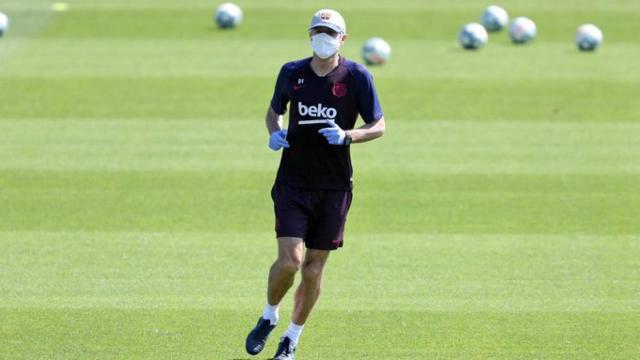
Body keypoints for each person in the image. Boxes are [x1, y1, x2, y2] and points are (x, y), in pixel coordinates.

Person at [245, 8, 386, 360]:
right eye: (317, 31)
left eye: (330, 32)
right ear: (310, 35)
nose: (322, 37)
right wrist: (274, 132)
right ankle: (268, 316)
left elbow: (379, 125)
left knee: (313, 268)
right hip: (293, 182)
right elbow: (273, 110)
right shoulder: (291, 73)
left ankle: (291, 338)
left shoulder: (357, 76)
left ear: (343, 38)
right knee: (290, 262)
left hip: (335, 187)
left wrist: (348, 136)